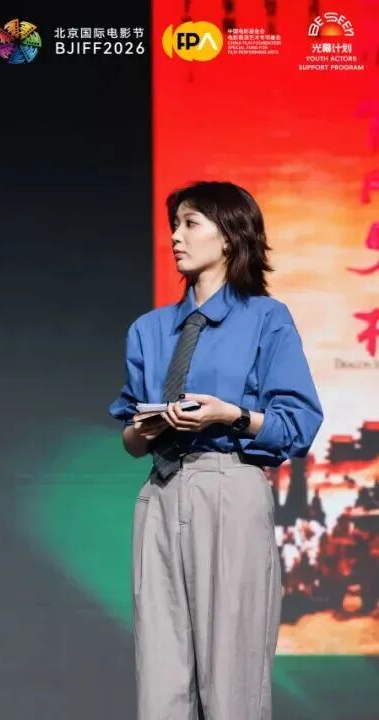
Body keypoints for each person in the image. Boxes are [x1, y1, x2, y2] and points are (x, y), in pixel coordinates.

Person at [109, 181, 324, 720]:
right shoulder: (149, 330)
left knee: (232, 675)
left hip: (230, 483)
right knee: (160, 675)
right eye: (174, 225)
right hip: (161, 492)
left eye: (190, 224)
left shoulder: (266, 318)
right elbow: (130, 439)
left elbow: (298, 424)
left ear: (228, 236)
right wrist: (148, 428)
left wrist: (231, 415)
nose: (175, 237)